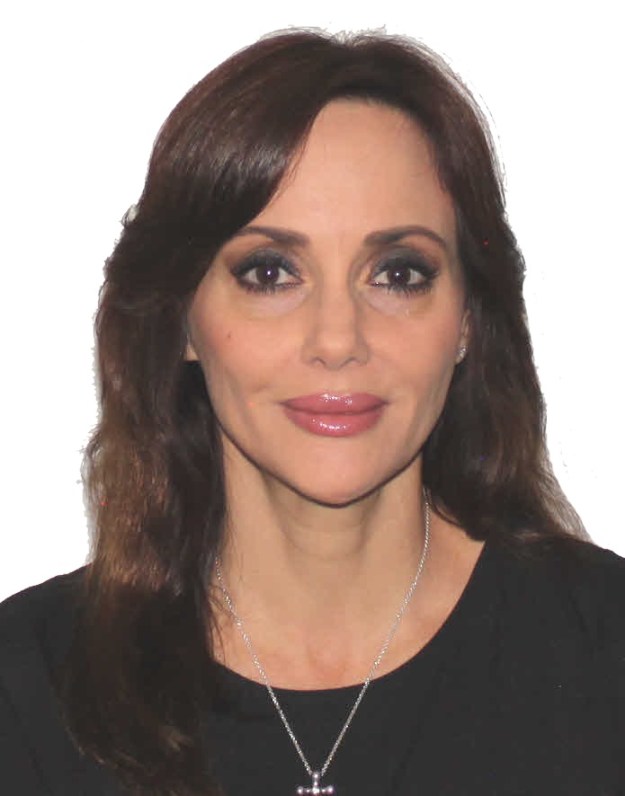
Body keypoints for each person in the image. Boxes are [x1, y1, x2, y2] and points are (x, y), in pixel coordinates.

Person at [1, 27, 624, 796]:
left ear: (467, 318)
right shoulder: (29, 688)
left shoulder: (603, 653)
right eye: (270, 273)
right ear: (180, 318)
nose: (337, 340)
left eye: (398, 273)